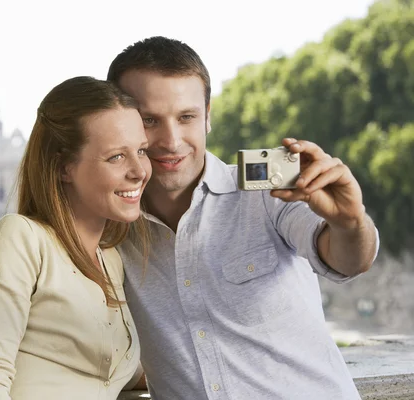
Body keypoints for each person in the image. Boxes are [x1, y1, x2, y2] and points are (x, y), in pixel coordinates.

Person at [107, 36, 379, 400]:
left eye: (186, 117)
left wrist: (350, 222)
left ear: (207, 117)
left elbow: (348, 259)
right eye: (149, 120)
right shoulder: (109, 227)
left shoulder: (268, 192)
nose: (171, 141)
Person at [0, 76, 151, 400]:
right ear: (63, 167)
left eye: (141, 151)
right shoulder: (19, 240)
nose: (139, 171)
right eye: (116, 156)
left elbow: (110, 372)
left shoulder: (111, 260)